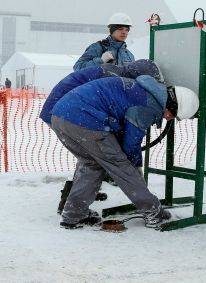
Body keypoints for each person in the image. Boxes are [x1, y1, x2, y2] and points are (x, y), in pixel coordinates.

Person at [50, 74, 199, 229]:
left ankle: (74, 214)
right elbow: (130, 144)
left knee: (92, 164)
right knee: (122, 167)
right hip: (85, 119)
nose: (169, 119)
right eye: (173, 116)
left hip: (61, 116)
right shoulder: (150, 107)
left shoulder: (146, 90)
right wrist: (134, 167)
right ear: (173, 105)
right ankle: (153, 212)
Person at [40, 60, 164, 214]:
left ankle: (75, 206)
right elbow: (97, 102)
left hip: (64, 110)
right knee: (97, 156)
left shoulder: (116, 73)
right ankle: (71, 203)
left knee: (92, 159)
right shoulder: (111, 75)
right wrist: (131, 164)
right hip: (70, 111)